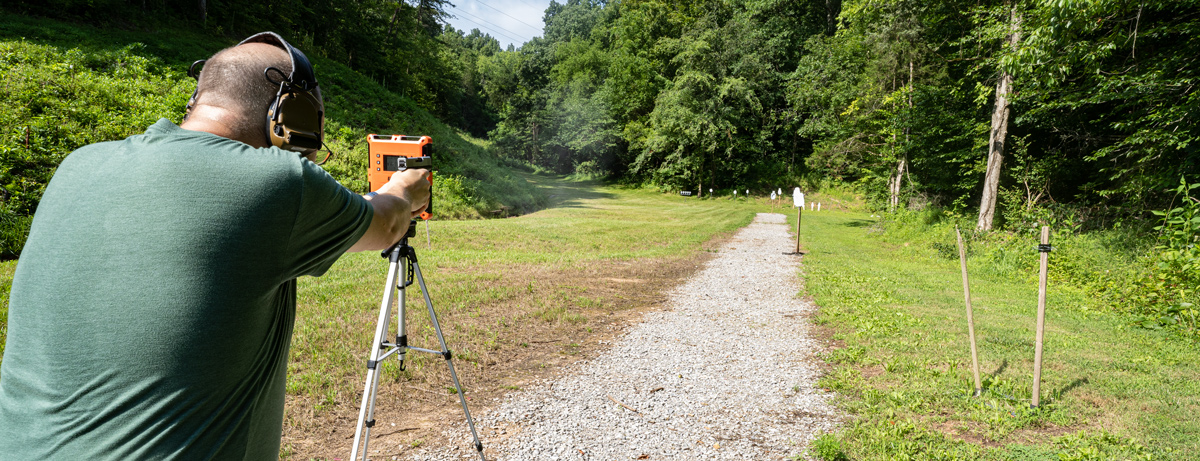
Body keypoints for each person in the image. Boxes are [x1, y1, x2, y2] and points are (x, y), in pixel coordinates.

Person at [0, 32, 428, 459]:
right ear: (291, 114)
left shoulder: (79, 162)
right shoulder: (280, 182)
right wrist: (406, 187)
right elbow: (388, 224)